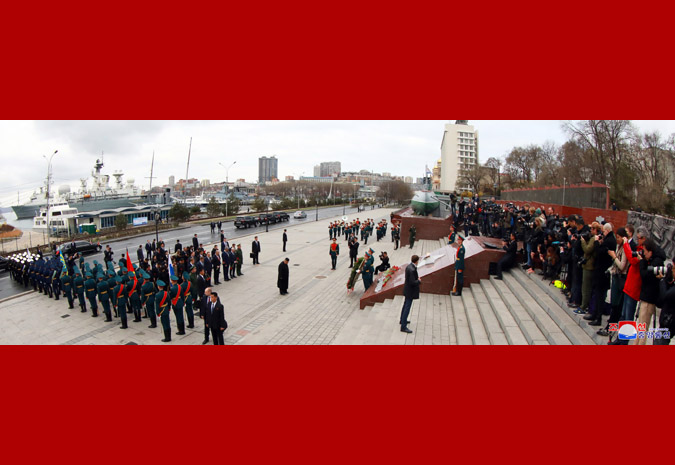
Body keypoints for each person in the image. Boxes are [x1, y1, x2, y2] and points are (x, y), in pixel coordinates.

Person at [637, 238, 666, 345]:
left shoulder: (656, 263)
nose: (643, 254)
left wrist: (642, 261)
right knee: (640, 326)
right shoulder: (652, 260)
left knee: (643, 328)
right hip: (645, 296)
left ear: (650, 252)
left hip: (649, 299)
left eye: (645, 251)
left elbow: (644, 275)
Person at [400, 255, 421, 334]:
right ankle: (403, 326)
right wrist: (418, 281)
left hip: (407, 290)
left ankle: (402, 320)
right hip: (410, 291)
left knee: (405, 305)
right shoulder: (412, 269)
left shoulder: (409, 266)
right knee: (407, 307)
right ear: (416, 261)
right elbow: (412, 282)